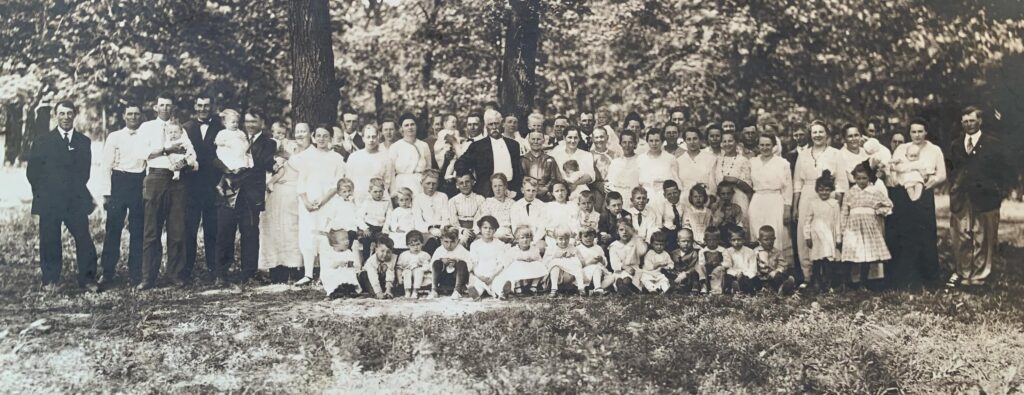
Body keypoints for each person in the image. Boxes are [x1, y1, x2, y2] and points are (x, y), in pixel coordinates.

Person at [26, 100, 99, 292]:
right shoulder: (43, 141)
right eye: (61, 113)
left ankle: (88, 279)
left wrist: (70, 191)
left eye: (69, 113)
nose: (66, 117)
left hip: (74, 200)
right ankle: (50, 281)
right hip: (50, 200)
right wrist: (43, 194)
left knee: (84, 238)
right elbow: (32, 173)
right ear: (55, 116)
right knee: (50, 239)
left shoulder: (83, 142)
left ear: (74, 115)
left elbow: (84, 173)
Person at [214, 109, 277, 284]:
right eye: (247, 121)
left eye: (254, 121)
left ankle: (248, 273)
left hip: (250, 195)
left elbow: (260, 165)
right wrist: (226, 170)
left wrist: (238, 171)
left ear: (262, 124)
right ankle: (221, 273)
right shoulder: (231, 136)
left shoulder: (269, 143)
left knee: (250, 233)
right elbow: (216, 157)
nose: (250, 125)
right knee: (224, 231)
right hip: (228, 193)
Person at [947, 107, 1006, 287]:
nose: (968, 124)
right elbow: (952, 170)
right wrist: (955, 191)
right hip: (963, 198)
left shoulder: (992, 143)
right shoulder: (956, 145)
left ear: (979, 121)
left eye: (972, 120)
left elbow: (1002, 171)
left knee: (983, 237)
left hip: (985, 197)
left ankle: (980, 275)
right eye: (965, 121)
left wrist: (996, 190)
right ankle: (964, 272)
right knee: (963, 235)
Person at [884, 118, 945, 289]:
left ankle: (929, 277)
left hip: (924, 193)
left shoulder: (934, 150)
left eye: (920, 131)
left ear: (926, 132)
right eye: (913, 131)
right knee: (905, 235)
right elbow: (893, 171)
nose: (917, 135)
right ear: (909, 133)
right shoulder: (902, 148)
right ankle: (904, 278)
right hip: (903, 195)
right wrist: (899, 182)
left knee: (925, 234)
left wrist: (930, 183)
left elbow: (942, 174)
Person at [140, 94, 193, 289]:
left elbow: (190, 153)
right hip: (155, 177)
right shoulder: (146, 128)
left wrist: (186, 161)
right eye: (161, 105)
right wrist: (166, 149)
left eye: (169, 106)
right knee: (151, 230)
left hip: (177, 179)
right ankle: (148, 277)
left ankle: (175, 274)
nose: (165, 109)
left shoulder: (180, 130)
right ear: (155, 107)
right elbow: (143, 153)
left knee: (177, 229)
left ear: (173, 108)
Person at [793, 120, 848, 288]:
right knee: (806, 234)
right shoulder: (803, 155)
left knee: (828, 235)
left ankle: (828, 277)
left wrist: (835, 203)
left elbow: (841, 181)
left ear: (827, 134)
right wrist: (795, 206)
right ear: (810, 135)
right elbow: (797, 182)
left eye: (821, 132)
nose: (817, 135)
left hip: (828, 195)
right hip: (807, 195)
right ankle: (808, 276)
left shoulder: (835, 154)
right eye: (814, 132)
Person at [98, 103, 147, 287]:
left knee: (138, 229)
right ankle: (107, 272)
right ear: (124, 116)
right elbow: (105, 166)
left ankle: (135, 273)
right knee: (113, 229)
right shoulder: (115, 137)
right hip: (119, 181)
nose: (133, 117)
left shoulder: (146, 136)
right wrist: (106, 193)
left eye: (136, 114)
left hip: (138, 183)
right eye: (130, 114)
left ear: (141, 116)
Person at [295, 126, 348, 286]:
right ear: (313, 137)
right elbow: (301, 182)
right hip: (308, 204)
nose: (321, 139)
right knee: (308, 237)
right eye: (318, 136)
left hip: (327, 203)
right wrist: (306, 202)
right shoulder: (305, 156)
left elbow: (336, 184)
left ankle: (325, 274)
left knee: (325, 237)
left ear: (330, 138)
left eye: (325, 136)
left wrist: (322, 201)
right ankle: (308, 274)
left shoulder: (337, 158)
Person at [182, 94, 224, 285]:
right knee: (189, 230)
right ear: (195, 106)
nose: (203, 109)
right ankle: (186, 272)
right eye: (200, 105)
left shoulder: (221, 129)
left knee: (212, 231)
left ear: (211, 107)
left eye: (207, 105)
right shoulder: (186, 128)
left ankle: (214, 271)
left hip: (212, 187)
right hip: (190, 187)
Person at [259, 122, 309, 282]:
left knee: (291, 229)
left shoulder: (293, 147)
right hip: (274, 194)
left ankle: (295, 268)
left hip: (291, 193)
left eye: (282, 132)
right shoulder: (271, 146)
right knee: (274, 230)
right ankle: (276, 268)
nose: (279, 135)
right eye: (276, 132)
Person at [841, 161, 893, 288]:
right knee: (851, 253)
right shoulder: (850, 192)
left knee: (866, 254)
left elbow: (889, 204)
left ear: (869, 177)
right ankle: (846, 282)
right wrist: (843, 229)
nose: (861, 181)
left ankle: (863, 283)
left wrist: (877, 211)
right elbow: (844, 211)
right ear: (854, 178)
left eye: (864, 178)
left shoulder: (874, 191)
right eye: (858, 178)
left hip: (869, 226)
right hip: (853, 226)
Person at [460, 109, 524, 197]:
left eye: (496, 123)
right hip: (487, 192)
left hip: (511, 190)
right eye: (490, 124)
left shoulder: (513, 145)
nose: (494, 127)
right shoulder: (477, 146)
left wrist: (516, 190)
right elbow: (460, 164)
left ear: (501, 124)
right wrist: (474, 181)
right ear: (486, 126)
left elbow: (517, 170)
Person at [748, 135, 793, 252]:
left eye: (768, 145)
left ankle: (777, 265)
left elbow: (788, 188)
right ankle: (759, 264)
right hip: (757, 200)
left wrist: (787, 208)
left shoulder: (783, 163)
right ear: (758, 146)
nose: (765, 148)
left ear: (774, 146)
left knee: (776, 232)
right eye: (762, 145)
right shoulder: (752, 162)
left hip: (775, 201)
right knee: (757, 231)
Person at [803, 170, 842, 291]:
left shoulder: (834, 204)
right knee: (817, 260)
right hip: (816, 235)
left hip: (829, 235)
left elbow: (837, 222)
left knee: (828, 261)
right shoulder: (813, 203)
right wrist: (807, 236)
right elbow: (807, 220)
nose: (824, 192)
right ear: (817, 190)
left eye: (827, 190)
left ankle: (829, 283)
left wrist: (838, 238)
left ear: (831, 190)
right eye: (821, 190)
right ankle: (817, 283)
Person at [712, 130, 752, 222]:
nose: (727, 144)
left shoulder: (743, 160)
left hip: (739, 199)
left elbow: (749, 188)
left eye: (730, 141)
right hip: (721, 201)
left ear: (736, 142)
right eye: (724, 141)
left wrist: (735, 180)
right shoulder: (717, 160)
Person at [348, 125, 394, 204]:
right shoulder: (354, 157)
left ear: (378, 137)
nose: (371, 140)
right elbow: (349, 179)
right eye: (368, 137)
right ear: (363, 138)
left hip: (379, 198)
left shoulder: (385, 157)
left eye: (373, 137)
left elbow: (388, 180)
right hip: (359, 198)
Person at [389, 113, 432, 196]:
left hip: (421, 184)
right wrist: (393, 191)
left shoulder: (424, 145)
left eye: (412, 124)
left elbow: (428, 168)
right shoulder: (395, 146)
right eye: (406, 125)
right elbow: (391, 172)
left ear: (416, 126)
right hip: (402, 184)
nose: (410, 127)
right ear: (402, 129)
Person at [467, 216, 510, 299]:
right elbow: (474, 263)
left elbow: (501, 264)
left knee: (498, 282)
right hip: (480, 272)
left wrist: (492, 276)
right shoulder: (475, 245)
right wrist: (480, 276)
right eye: (485, 228)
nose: (488, 230)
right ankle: (475, 293)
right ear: (480, 229)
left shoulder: (499, 244)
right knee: (478, 284)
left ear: (495, 230)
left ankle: (503, 292)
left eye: (491, 228)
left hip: (495, 272)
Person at [429, 225, 474, 299]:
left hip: (457, 278)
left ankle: (457, 291)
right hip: (444, 278)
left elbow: (470, 266)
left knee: (462, 264)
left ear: (458, 241)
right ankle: (434, 290)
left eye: (452, 242)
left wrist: (457, 263)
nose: (449, 245)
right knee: (436, 262)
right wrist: (442, 262)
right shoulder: (439, 250)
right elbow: (431, 266)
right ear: (441, 241)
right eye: (446, 242)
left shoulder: (462, 251)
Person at [357, 177, 393, 261]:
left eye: (380, 191)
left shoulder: (386, 203)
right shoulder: (367, 202)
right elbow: (359, 217)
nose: (378, 194)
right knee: (366, 240)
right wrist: (364, 228)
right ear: (370, 192)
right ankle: (366, 261)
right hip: (369, 227)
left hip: (380, 228)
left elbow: (389, 217)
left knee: (381, 242)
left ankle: (376, 260)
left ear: (384, 190)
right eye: (375, 192)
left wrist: (385, 229)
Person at [550, 129, 595, 196]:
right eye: (570, 137)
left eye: (575, 138)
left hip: (579, 190)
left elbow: (590, 176)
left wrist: (575, 184)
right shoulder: (556, 152)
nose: (573, 141)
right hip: (560, 190)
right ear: (564, 138)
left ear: (579, 139)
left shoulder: (586, 155)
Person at [607, 219, 647, 294]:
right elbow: (614, 263)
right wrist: (625, 267)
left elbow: (642, 251)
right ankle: (622, 285)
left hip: (634, 270)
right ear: (617, 232)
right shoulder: (614, 246)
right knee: (620, 278)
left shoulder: (635, 242)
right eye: (621, 230)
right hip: (620, 270)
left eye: (627, 230)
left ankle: (626, 286)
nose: (624, 232)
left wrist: (635, 235)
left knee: (628, 279)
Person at [412, 169, 448, 253]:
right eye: (428, 183)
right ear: (421, 183)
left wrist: (442, 229)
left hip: (442, 230)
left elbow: (446, 217)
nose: (431, 187)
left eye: (434, 184)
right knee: (431, 242)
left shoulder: (443, 196)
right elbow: (418, 222)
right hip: (425, 231)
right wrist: (430, 229)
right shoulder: (417, 199)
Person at [676, 127, 717, 199]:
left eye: (695, 138)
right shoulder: (678, 161)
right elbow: (678, 185)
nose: (692, 142)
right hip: (685, 199)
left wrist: (711, 198)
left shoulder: (711, 158)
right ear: (685, 141)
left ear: (700, 140)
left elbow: (713, 184)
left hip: (705, 198)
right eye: (689, 139)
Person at [754, 226, 796, 295]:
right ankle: (763, 289)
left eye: (772, 239)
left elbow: (783, 265)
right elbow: (753, 265)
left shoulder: (777, 252)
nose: (769, 242)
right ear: (759, 240)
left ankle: (783, 287)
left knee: (780, 276)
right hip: (761, 277)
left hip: (773, 276)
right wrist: (758, 273)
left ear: (775, 239)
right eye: (766, 240)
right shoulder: (756, 252)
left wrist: (776, 271)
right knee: (754, 280)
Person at [320, 229, 362, 298]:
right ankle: (336, 290)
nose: (347, 241)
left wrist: (349, 263)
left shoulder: (348, 252)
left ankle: (349, 288)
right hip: (334, 273)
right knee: (334, 274)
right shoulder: (330, 253)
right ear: (335, 244)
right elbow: (329, 265)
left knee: (349, 272)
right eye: (343, 240)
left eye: (347, 238)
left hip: (345, 273)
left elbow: (354, 263)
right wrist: (338, 264)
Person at [545, 225, 585, 297]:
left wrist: (573, 257)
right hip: (557, 277)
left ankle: (581, 288)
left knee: (576, 262)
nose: (563, 241)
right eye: (560, 239)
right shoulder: (552, 249)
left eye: (566, 239)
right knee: (555, 264)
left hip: (569, 275)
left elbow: (582, 262)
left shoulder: (572, 248)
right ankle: (554, 289)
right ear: (555, 239)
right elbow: (545, 263)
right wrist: (555, 256)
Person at [448, 170, 485, 246]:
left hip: (476, 230)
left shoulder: (480, 199)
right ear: (457, 185)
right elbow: (453, 220)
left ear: (472, 182)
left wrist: (475, 231)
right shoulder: (453, 201)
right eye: (461, 183)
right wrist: (462, 230)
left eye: (467, 182)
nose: (464, 185)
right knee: (461, 241)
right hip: (459, 230)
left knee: (480, 243)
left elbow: (481, 217)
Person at [384, 187, 427, 252]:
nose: (404, 202)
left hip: (411, 230)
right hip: (401, 230)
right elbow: (393, 222)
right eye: (401, 200)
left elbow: (416, 220)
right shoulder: (397, 211)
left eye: (407, 199)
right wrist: (396, 228)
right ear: (397, 201)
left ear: (410, 200)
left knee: (414, 238)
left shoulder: (413, 210)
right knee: (397, 238)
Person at [521, 131, 560, 202]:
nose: (535, 142)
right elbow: (520, 178)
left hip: (545, 195)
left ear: (543, 140)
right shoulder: (522, 160)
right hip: (528, 194)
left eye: (538, 139)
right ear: (528, 140)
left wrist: (546, 188)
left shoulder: (550, 159)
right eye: (533, 139)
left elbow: (555, 178)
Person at [511, 177, 547, 246]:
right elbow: (515, 227)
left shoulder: (542, 206)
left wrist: (534, 242)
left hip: (536, 240)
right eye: (528, 190)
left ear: (537, 191)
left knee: (541, 246)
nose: (531, 193)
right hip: (520, 239)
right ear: (522, 190)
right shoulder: (515, 206)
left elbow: (542, 228)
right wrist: (523, 239)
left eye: (533, 190)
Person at [606, 131, 641, 201]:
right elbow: (610, 183)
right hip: (617, 200)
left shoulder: (640, 160)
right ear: (620, 144)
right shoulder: (615, 162)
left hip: (634, 199)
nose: (627, 145)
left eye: (630, 142)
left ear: (635, 144)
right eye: (624, 142)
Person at [396, 230, 432, 298]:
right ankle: (407, 291)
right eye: (412, 245)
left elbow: (429, 267)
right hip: (407, 274)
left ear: (422, 243)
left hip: (420, 275)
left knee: (418, 271)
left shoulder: (425, 255)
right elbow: (399, 268)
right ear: (407, 245)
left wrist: (423, 266)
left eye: (418, 244)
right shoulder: (404, 255)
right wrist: (399, 278)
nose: (416, 247)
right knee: (407, 271)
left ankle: (415, 291)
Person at [723, 226, 757, 294]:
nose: (736, 242)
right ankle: (732, 288)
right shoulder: (727, 252)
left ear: (744, 239)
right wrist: (736, 274)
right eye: (733, 240)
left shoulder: (750, 251)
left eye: (739, 239)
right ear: (729, 240)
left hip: (746, 275)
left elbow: (753, 268)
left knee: (751, 280)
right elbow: (728, 266)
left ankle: (744, 290)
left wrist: (744, 275)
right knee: (727, 277)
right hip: (733, 275)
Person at [667, 228, 701, 293]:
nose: (686, 243)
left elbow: (693, 267)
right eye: (683, 241)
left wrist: (685, 273)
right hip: (676, 275)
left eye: (688, 241)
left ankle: (694, 288)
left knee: (694, 274)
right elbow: (670, 264)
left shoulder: (693, 253)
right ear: (678, 242)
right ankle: (675, 288)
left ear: (692, 242)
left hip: (687, 275)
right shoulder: (673, 253)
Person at [698, 226, 729, 294]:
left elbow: (727, 263)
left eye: (714, 240)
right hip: (707, 268)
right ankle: (704, 285)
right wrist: (706, 264)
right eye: (709, 240)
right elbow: (701, 262)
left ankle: (716, 289)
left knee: (719, 269)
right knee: (699, 267)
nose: (712, 242)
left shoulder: (722, 250)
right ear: (705, 240)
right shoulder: (702, 251)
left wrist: (719, 264)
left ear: (718, 240)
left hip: (718, 268)